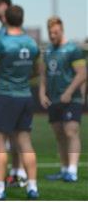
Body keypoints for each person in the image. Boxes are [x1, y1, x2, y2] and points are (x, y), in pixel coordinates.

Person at [0, 5, 40, 200]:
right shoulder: (32, 43)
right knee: (25, 143)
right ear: (21, 19)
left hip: (6, 97)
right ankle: (32, 187)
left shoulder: (2, 43)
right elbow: (37, 71)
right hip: (25, 97)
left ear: (5, 19)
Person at [39, 17, 86, 183]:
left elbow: (82, 73)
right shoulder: (48, 51)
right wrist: (42, 93)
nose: (52, 35)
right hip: (54, 99)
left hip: (72, 99)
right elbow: (44, 75)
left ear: (62, 30)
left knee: (70, 132)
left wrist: (69, 92)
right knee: (59, 135)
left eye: (55, 32)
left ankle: (72, 171)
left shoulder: (73, 49)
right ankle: (64, 169)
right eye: (50, 32)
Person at [0, 0, 27, 187]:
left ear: (3, 6)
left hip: (10, 92)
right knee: (11, 136)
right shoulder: (1, 32)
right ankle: (12, 173)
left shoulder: (14, 33)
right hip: (3, 90)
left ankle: (15, 174)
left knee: (12, 135)